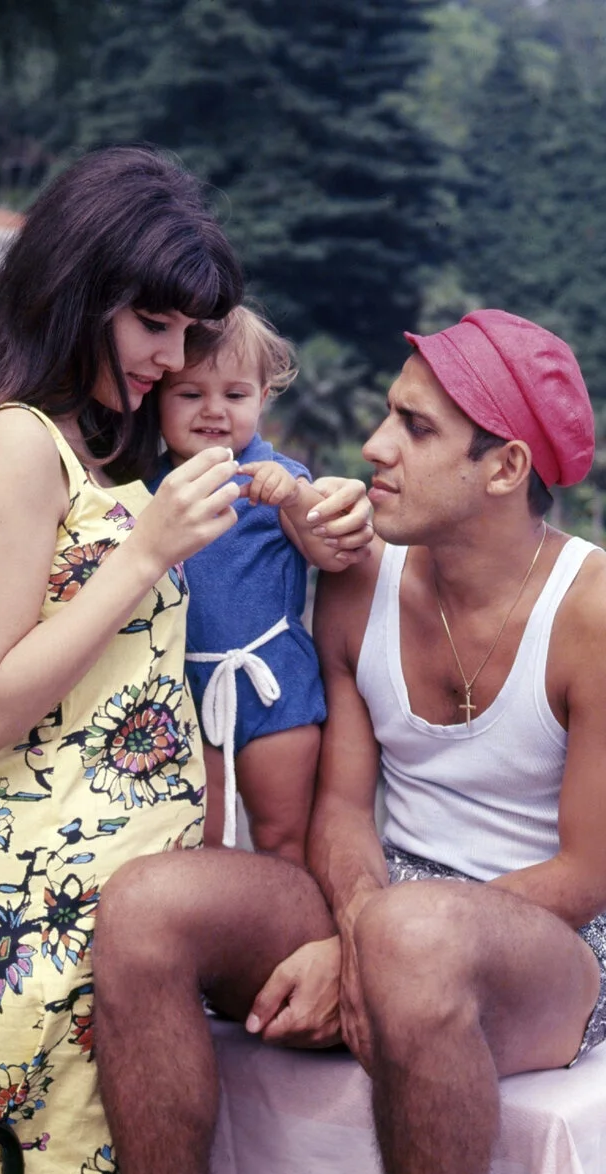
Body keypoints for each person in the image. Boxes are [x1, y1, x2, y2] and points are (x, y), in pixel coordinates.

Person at [93, 309, 606, 1174]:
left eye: (415, 427)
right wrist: (365, 930)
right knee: (146, 904)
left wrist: (372, 946)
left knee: (417, 934)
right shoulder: (361, 577)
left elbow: (589, 874)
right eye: (387, 414)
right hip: (377, 897)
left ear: (505, 468)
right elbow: (339, 811)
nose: (374, 445)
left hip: (552, 942)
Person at [0, 145, 370, 1174]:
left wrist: (314, 511)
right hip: (42, 908)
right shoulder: (13, 441)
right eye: (154, 324)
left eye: (188, 331)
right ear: (78, 291)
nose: (171, 355)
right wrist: (146, 551)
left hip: (104, 897)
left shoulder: (91, 441)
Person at [151, 305, 367, 859]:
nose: (213, 410)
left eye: (235, 394)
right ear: (157, 397)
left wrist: (294, 497)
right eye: (190, 394)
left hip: (276, 685)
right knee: (204, 842)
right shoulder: (149, 491)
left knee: (283, 837)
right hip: (185, 692)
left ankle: (294, 917)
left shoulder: (281, 478)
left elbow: (332, 554)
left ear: (263, 397)